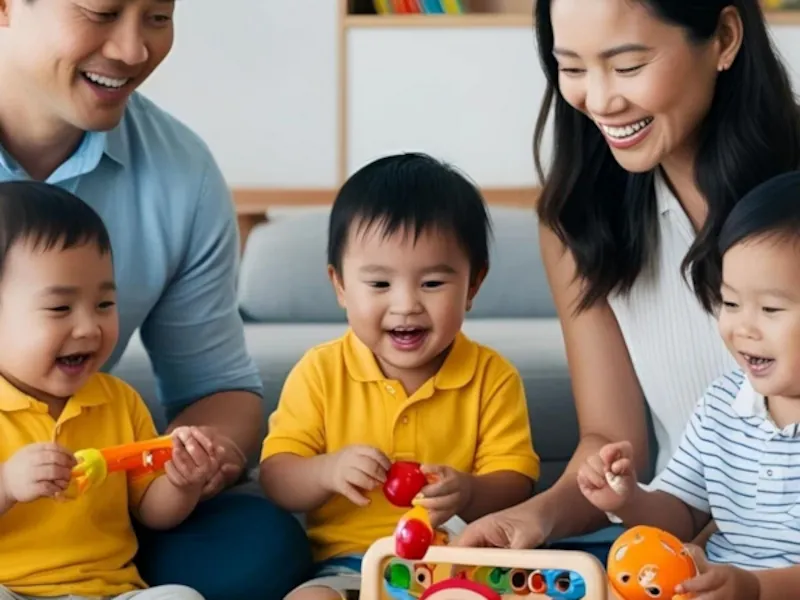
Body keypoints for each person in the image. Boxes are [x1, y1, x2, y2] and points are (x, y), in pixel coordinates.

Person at [455, 0, 800, 559]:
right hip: (674, 540)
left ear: (725, 38)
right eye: (571, 68)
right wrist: (531, 519)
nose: (599, 99)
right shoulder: (577, 221)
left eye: (628, 66)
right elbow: (615, 447)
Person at [0, 2, 311, 599]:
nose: (134, 50)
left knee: (260, 547)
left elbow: (216, 386)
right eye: (102, 10)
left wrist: (189, 462)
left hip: (99, 519)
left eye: (158, 16)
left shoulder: (180, 172)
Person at [259, 153, 541, 600]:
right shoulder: (321, 372)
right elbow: (277, 477)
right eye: (379, 285)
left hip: (460, 562)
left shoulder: (492, 377)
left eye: (431, 284)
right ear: (340, 286)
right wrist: (327, 471)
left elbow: (516, 482)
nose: (406, 304)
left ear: (472, 286)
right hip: (353, 563)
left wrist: (467, 492)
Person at [579, 170, 800, 599]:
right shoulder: (721, 404)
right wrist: (628, 501)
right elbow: (682, 514)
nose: (742, 327)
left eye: (771, 308)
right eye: (731, 303)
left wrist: (754, 588)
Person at [0, 181, 211, 600]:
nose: (89, 327)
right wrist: (7, 485)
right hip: (11, 588)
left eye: (104, 305)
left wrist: (184, 482)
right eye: (60, 308)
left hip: (109, 592)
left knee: (183, 597)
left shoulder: (119, 401)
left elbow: (151, 511)